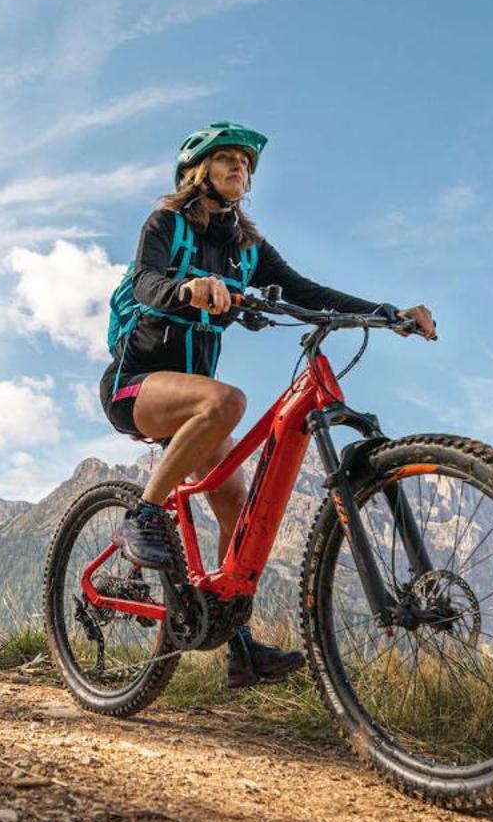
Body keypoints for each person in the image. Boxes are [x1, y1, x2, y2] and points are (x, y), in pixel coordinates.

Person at [101, 122, 436, 689]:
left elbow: (308, 291)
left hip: (195, 402)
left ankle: (242, 650)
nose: (241, 169)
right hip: (137, 386)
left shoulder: (246, 247)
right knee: (228, 400)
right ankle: (144, 515)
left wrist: (388, 313)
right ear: (196, 172)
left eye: (246, 164)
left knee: (238, 506)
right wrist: (189, 288)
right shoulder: (167, 224)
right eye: (227, 159)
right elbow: (145, 284)